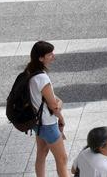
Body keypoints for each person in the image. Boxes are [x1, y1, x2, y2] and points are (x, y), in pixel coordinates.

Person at [27, 41, 70, 177]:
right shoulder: (42, 78)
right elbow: (53, 105)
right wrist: (61, 117)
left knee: (42, 153)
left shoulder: (29, 72)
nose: (53, 56)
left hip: (37, 122)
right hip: (47, 123)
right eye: (50, 54)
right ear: (41, 58)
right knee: (62, 159)